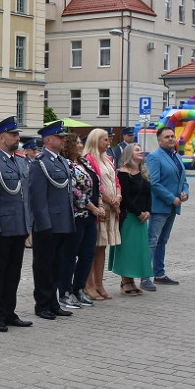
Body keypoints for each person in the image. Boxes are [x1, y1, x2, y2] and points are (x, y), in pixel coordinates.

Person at [0, 116, 33, 332]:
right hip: (0, 229)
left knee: (13, 273)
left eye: (17, 134)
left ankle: (10, 311)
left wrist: (27, 225)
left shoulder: (19, 161)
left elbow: (24, 197)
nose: (17, 137)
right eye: (13, 134)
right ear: (2, 138)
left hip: (18, 227)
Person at [27, 121, 75, 320]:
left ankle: (54, 302)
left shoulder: (62, 161)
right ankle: (42, 304)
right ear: (48, 140)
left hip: (63, 222)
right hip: (48, 225)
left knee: (58, 265)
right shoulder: (40, 163)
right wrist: (44, 224)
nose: (64, 140)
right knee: (44, 266)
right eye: (60, 137)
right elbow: (38, 198)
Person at [57, 133, 104, 309]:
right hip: (77, 216)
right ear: (68, 145)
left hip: (91, 217)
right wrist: (93, 207)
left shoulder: (84, 162)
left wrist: (99, 203)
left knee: (87, 255)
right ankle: (65, 292)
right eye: (76, 142)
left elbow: (96, 183)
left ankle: (79, 289)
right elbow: (74, 191)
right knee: (70, 256)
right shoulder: (66, 164)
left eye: (80, 141)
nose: (80, 144)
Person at [142, 126, 188, 290]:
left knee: (163, 240)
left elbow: (183, 180)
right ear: (159, 140)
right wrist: (171, 198)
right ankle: (145, 277)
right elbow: (154, 182)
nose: (171, 139)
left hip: (173, 206)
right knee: (152, 242)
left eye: (172, 136)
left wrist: (185, 193)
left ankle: (159, 274)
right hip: (160, 206)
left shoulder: (177, 156)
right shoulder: (155, 157)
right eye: (167, 137)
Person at [109, 144, 153, 295]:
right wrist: (139, 212)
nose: (141, 151)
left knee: (136, 251)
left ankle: (131, 280)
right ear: (129, 154)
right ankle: (124, 281)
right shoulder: (122, 173)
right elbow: (125, 198)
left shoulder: (143, 172)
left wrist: (148, 211)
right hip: (129, 216)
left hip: (141, 218)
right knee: (126, 250)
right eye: (137, 150)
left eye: (141, 149)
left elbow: (148, 194)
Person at [82, 128, 121, 301]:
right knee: (92, 247)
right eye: (105, 140)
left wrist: (118, 196)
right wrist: (110, 200)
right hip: (100, 208)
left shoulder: (109, 159)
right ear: (96, 140)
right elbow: (96, 184)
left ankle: (99, 283)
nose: (108, 143)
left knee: (102, 247)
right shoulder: (89, 159)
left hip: (111, 207)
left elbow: (116, 181)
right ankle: (88, 284)